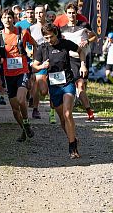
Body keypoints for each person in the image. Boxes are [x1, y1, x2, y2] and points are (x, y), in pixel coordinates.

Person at [31, 23, 87, 158]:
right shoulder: (42, 48)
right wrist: (42, 66)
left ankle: (72, 147)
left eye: (51, 37)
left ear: (56, 33)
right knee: (62, 118)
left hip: (67, 82)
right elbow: (34, 65)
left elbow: (81, 51)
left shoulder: (65, 43)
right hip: (54, 86)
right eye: (46, 38)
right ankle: (72, 138)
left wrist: (83, 65)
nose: (49, 40)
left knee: (67, 113)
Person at [0, 8, 37, 142]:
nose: (7, 20)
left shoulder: (22, 33)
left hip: (22, 71)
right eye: (4, 17)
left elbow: (35, 45)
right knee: (15, 109)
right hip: (8, 75)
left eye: (9, 17)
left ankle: (26, 122)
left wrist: (33, 58)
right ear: (1, 20)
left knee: (21, 100)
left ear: (14, 19)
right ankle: (24, 128)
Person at [60, 2, 97, 120]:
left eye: (73, 13)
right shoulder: (62, 29)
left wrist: (87, 41)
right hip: (67, 59)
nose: (72, 15)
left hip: (81, 58)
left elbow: (94, 36)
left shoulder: (84, 25)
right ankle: (62, 111)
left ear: (77, 13)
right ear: (66, 14)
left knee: (81, 86)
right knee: (66, 85)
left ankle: (89, 111)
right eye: (69, 13)